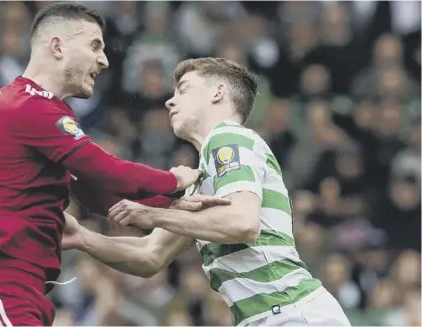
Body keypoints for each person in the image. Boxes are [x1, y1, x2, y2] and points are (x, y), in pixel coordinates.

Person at [0, 3, 202, 327]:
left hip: (20, 292)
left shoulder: (32, 107)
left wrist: (177, 204)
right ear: (58, 46)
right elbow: (107, 172)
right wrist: (174, 180)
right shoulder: (27, 106)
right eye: (95, 45)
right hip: (3, 289)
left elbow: (99, 195)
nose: (105, 60)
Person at [63, 57, 352, 326]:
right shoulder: (204, 182)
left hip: (290, 312)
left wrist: (154, 215)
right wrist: (82, 237)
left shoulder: (227, 136)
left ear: (217, 93)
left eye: (183, 90)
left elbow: (243, 223)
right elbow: (150, 254)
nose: (169, 101)